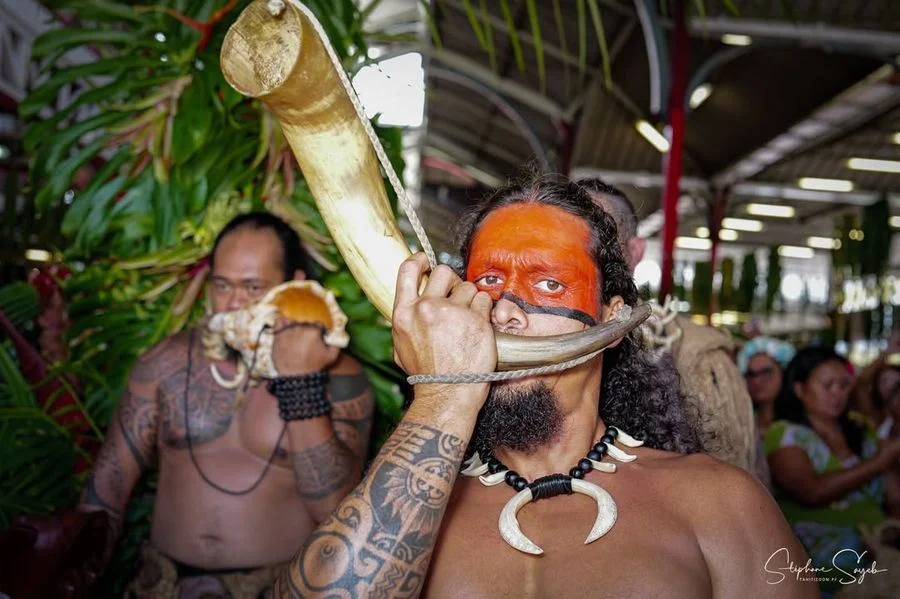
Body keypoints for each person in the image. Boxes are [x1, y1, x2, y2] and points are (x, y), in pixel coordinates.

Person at [276, 178, 815, 598]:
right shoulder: (418, 506)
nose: (505, 311)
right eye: (487, 282)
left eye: (550, 284)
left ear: (611, 320)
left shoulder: (718, 502)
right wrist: (444, 397)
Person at [78, 212, 374, 597]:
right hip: (162, 586)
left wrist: (301, 381)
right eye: (222, 286)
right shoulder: (164, 365)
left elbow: (337, 516)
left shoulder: (339, 376)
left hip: (277, 588)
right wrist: (72, 576)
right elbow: (107, 491)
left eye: (252, 288)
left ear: (292, 286)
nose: (233, 304)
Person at [578, 177, 759, 477]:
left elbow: (731, 473)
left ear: (635, 252)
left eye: (602, 237)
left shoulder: (695, 355)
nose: (583, 252)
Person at [765, 347, 900, 595]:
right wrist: (879, 463)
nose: (838, 394)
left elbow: (892, 496)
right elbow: (811, 491)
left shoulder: (861, 428)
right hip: (820, 570)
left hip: (879, 558)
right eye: (828, 386)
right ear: (799, 389)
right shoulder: (784, 434)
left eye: (844, 385)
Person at [738, 336, 797, 436]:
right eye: (751, 374)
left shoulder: (799, 427)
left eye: (766, 372)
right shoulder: (740, 424)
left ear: (784, 373)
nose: (756, 381)